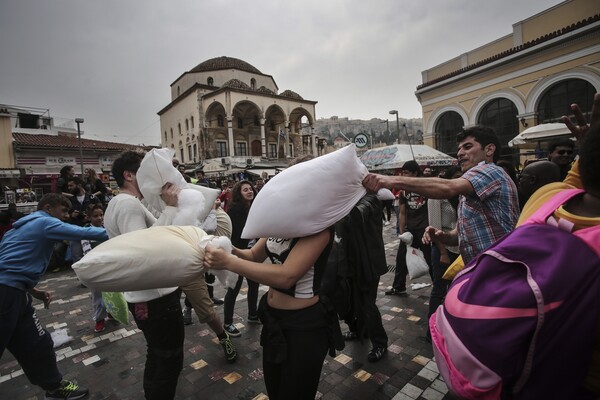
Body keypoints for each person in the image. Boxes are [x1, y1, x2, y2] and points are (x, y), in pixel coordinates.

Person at [204, 221, 337, 400]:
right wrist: (229, 248)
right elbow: (252, 255)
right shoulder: (278, 224)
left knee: (295, 392)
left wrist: (229, 262)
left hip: (304, 327)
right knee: (274, 387)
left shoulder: (318, 229)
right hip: (273, 321)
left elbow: (286, 276)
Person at [0, 193, 108, 400]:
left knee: (39, 343)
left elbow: (11, 265)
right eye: (63, 211)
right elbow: (82, 232)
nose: (65, 216)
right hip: (6, 295)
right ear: (48, 208)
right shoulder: (44, 222)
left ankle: (54, 387)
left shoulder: (16, 230)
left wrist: (33, 291)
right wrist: (121, 231)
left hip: (16, 293)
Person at [363, 126, 520, 266]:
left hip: (500, 267)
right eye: (459, 149)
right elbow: (458, 235)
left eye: (468, 146)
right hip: (481, 268)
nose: (460, 153)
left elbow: (447, 187)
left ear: (489, 150)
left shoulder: (490, 171)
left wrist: (390, 180)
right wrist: (442, 236)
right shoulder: (472, 186)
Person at [104, 150, 185, 400]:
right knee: (169, 360)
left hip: (146, 296)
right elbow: (145, 250)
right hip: (155, 298)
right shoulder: (127, 204)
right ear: (129, 175)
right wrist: (171, 208)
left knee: (158, 354)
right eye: (144, 170)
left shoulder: (125, 202)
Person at [424, 165, 461, 341]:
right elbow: (434, 228)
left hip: (461, 248)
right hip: (442, 248)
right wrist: (443, 253)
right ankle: (431, 332)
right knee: (439, 289)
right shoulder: (436, 196)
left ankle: (451, 329)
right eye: (458, 176)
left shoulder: (464, 195)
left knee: (457, 291)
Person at [385, 160, 431, 296]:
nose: (403, 175)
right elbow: (402, 212)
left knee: (430, 259)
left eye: (406, 173)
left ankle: (440, 289)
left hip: (425, 229)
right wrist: (402, 231)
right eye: (402, 173)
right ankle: (398, 286)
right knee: (401, 259)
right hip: (410, 230)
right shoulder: (404, 191)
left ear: (415, 173)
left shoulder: (427, 187)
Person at [223, 180, 260, 337]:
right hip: (238, 253)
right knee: (234, 289)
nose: (249, 191)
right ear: (239, 193)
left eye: (250, 189)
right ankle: (227, 323)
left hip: (253, 252)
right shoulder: (236, 210)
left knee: (254, 285)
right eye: (245, 190)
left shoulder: (256, 207)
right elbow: (238, 232)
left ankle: (252, 314)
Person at [80, 203, 111, 333]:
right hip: (95, 269)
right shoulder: (86, 233)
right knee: (98, 297)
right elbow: (87, 253)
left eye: (101, 215)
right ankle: (99, 319)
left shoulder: (108, 229)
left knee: (112, 293)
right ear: (89, 217)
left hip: (110, 267)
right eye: (95, 216)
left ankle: (113, 313)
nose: (99, 218)